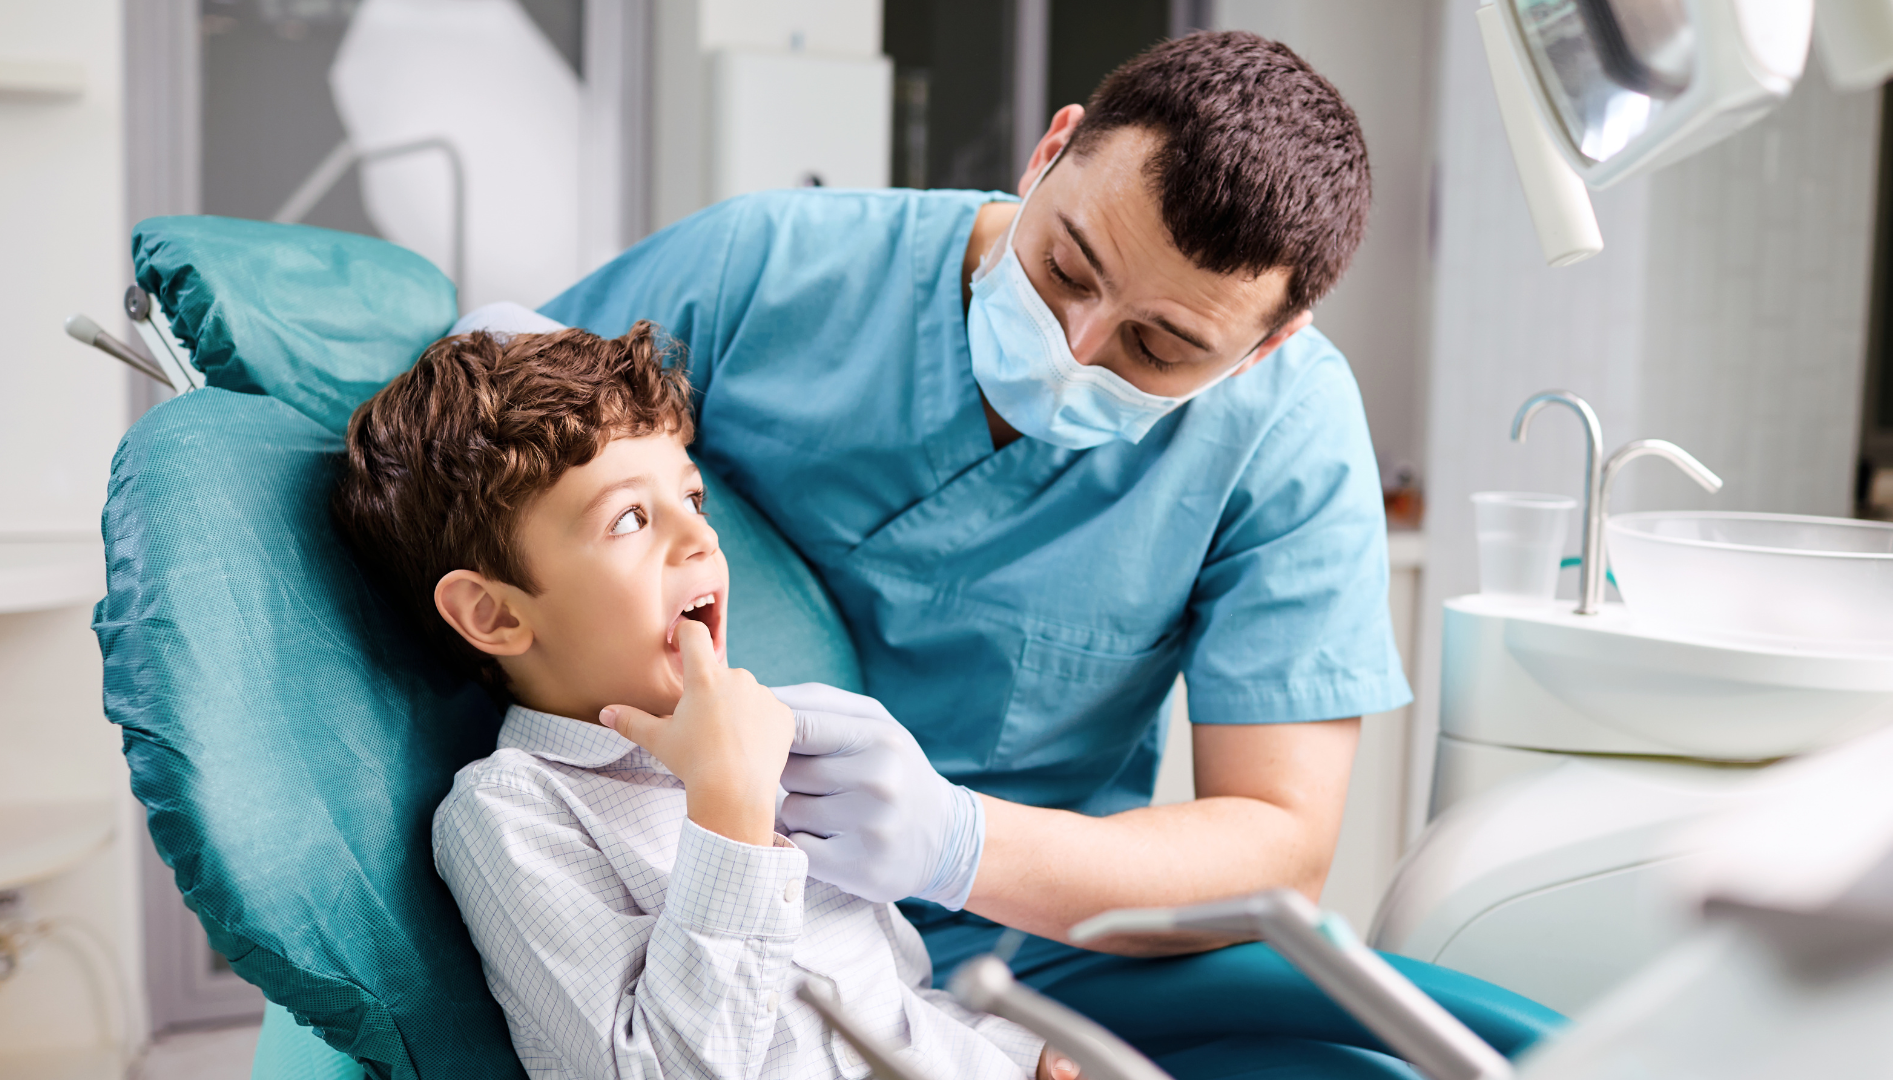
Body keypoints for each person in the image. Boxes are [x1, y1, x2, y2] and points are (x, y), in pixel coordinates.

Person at [540, 32, 1560, 1077]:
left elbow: (1277, 844)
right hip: (708, 889)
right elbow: (501, 431)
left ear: (1266, 345)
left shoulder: (1283, 429)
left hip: (1027, 943)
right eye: (1067, 265)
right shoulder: (766, 269)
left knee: (1462, 1051)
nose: (1075, 345)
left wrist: (958, 842)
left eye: (1158, 347)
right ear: (1050, 151)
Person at [329, 323, 1081, 1079]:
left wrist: (1015, 1055)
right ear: (495, 614)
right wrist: (730, 812)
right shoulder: (512, 811)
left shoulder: (772, 748)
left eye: (692, 496)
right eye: (629, 518)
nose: (699, 537)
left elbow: (892, 1002)